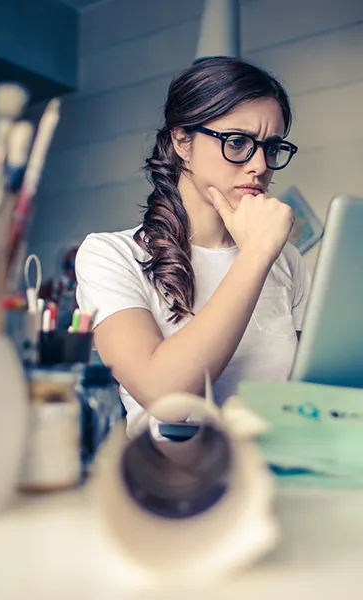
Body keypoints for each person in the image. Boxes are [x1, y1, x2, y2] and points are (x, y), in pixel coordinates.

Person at [75, 57, 311, 436]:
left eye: (271, 147)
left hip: (278, 477)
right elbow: (165, 396)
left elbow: (311, 396)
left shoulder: (287, 261)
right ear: (181, 141)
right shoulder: (110, 255)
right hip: (170, 481)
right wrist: (254, 255)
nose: (259, 165)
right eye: (237, 142)